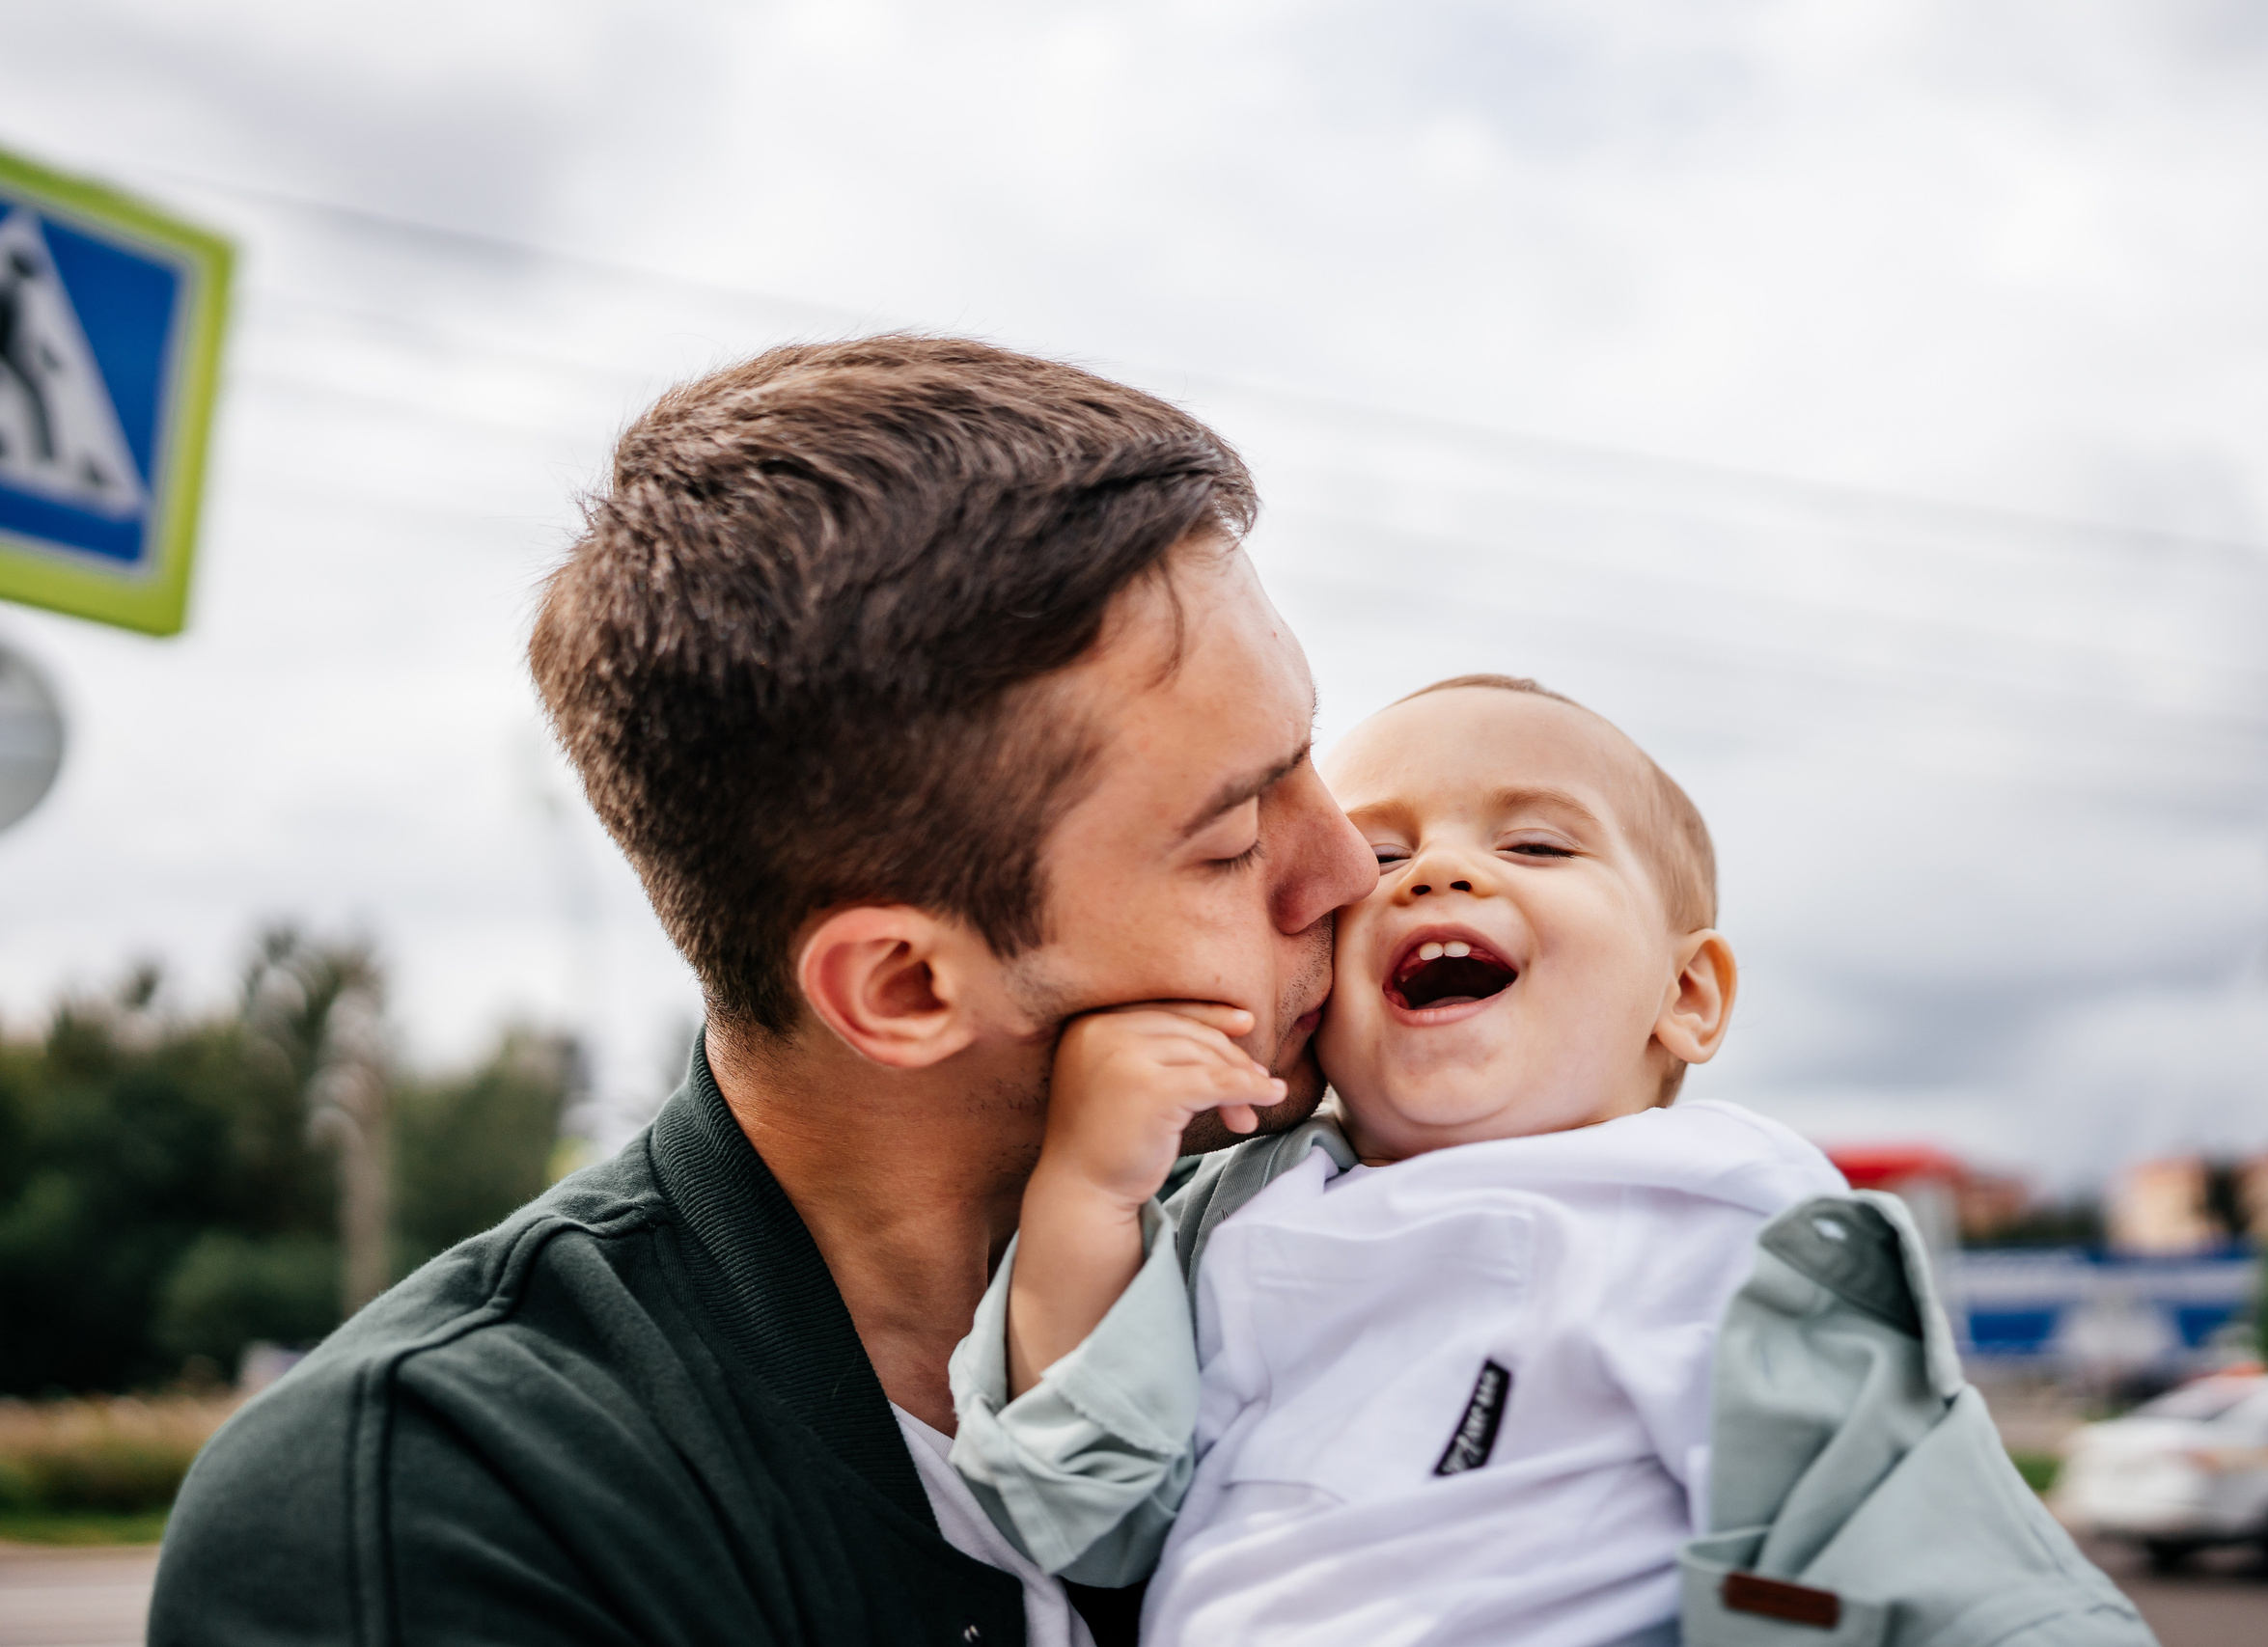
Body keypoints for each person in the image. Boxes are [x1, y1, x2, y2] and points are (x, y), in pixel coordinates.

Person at [149, 337, 1378, 1647]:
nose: (1352, 866)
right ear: (904, 986)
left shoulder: (1341, 1247)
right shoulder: (437, 1505)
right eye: (1233, 837)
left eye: (1311, 756)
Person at [948, 677, 2155, 1646]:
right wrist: (1088, 1186)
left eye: (1535, 842)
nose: (1440, 871)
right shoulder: (1245, 1217)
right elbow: (1080, 1505)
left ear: (1685, 995)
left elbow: (1940, 1570)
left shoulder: (1717, 1223)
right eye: (1380, 859)